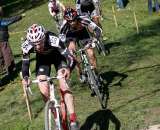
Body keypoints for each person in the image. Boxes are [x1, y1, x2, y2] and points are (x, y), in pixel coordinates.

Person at [21, 24, 79, 130]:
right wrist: (25, 78)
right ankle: (57, 118)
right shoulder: (26, 45)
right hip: (43, 61)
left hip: (58, 57)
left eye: (40, 43)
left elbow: (71, 58)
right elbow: (25, 64)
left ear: (44, 37)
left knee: (63, 84)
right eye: (35, 44)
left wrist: (68, 69)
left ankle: (73, 119)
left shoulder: (54, 40)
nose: (38, 47)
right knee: (42, 88)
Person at [59, 7, 102, 83]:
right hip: (70, 35)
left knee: (91, 54)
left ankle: (96, 73)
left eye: (74, 20)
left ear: (77, 17)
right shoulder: (64, 26)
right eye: (70, 21)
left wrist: (95, 39)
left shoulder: (83, 19)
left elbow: (97, 29)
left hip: (82, 33)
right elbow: (61, 41)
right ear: (67, 20)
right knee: (74, 56)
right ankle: (81, 74)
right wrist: (67, 51)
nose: (72, 23)